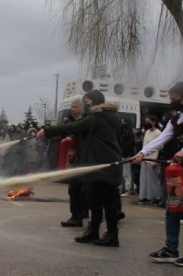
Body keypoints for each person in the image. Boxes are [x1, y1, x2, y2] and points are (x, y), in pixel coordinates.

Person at [133, 82, 183, 267]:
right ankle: (171, 249)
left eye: (174, 99)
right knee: (173, 207)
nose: (172, 102)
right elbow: (162, 139)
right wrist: (143, 153)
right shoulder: (176, 119)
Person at [38, 90, 122, 247]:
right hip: (101, 166)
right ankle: (94, 232)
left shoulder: (97, 118)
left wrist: (47, 131)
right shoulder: (104, 117)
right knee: (95, 201)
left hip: (103, 167)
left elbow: (74, 127)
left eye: (87, 101)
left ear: (95, 102)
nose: (85, 105)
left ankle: (111, 235)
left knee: (106, 202)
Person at [59, 96, 87, 228]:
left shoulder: (85, 121)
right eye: (71, 107)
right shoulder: (71, 121)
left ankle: (79, 215)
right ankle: (78, 215)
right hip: (77, 160)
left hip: (84, 160)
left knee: (80, 189)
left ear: (82, 108)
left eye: (75, 107)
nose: (72, 109)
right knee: (75, 188)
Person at [138, 115, 162, 205]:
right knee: (144, 178)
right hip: (145, 157)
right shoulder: (147, 131)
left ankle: (156, 196)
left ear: (153, 122)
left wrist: (155, 159)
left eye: (148, 121)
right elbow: (144, 145)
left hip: (152, 158)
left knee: (153, 179)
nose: (146, 123)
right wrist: (141, 155)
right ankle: (145, 196)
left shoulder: (158, 132)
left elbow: (158, 147)